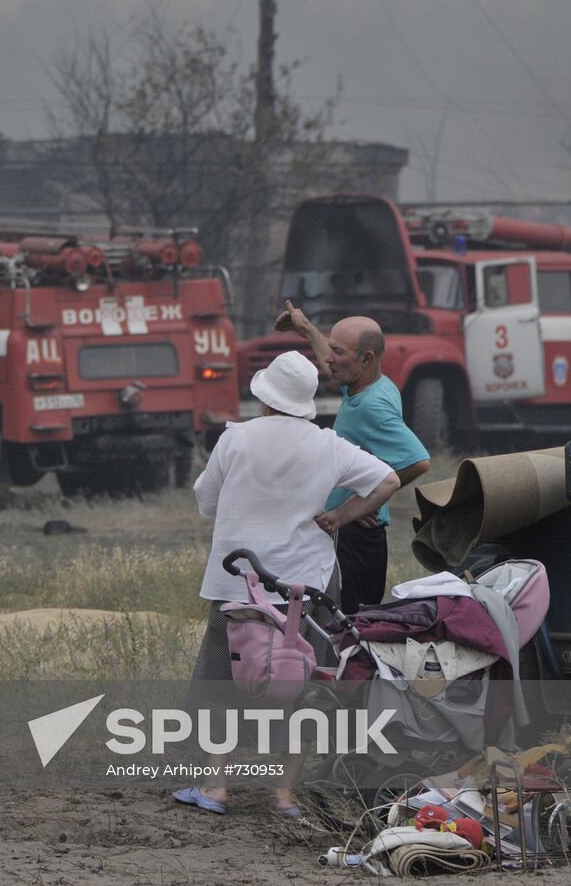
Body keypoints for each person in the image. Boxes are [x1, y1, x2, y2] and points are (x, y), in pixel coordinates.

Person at [173, 350, 398, 818]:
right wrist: (340, 516)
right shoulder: (328, 444)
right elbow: (388, 480)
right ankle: (285, 795)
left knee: (222, 682)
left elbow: (206, 503)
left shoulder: (234, 439)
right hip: (307, 587)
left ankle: (215, 788)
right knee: (307, 685)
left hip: (239, 584)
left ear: (264, 398)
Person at [274, 301, 431, 615]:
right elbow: (331, 358)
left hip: (356, 539)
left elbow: (419, 460)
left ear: (366, 359)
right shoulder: (366, 386)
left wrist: (359, 504)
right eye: (331, 348)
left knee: (350, 629)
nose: (329, 359)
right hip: (350, 535)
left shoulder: (373, 407)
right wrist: (306, 329)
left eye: (339, 353)